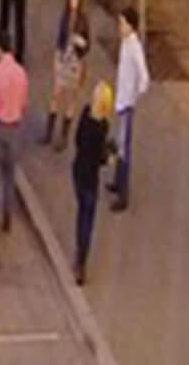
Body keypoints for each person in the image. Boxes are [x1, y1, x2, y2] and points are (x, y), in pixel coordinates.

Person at [0, 34, 29, 231]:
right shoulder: (21, 73)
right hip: (15, 126)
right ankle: (8, 215)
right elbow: (24, 102)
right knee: (10, 173)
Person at [72, 82, 114, 283]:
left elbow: (78, 140)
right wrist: (109, 157)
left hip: (78, 171)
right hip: (91, 178)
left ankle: (79, 254)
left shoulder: (85, 114)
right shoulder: (103, 127)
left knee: (81, 211)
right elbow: (101, 158)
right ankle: (82, 257)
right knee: (87, 218)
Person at [113, 7, 150, 211]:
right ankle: (117, 181)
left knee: (124, 149)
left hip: (126, 103)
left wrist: (133, 97)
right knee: (119, 144)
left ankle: (123, 194)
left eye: (122, 23)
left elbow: (144, 78)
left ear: (130, 25)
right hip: (121, 100)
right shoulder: (125, 43)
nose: (120, 27)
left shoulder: (134, 47)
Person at [46, 0, 89, 147]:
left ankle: (63, 136)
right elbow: (60, 39)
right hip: (63, 59)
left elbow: (86, 45)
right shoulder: (65, 17)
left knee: (71, 98)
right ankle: (48, 132)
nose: (73, 2)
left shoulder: (83, 21)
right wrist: (56, 57)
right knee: (56, 94)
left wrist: (80, 41)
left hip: (74, 62)